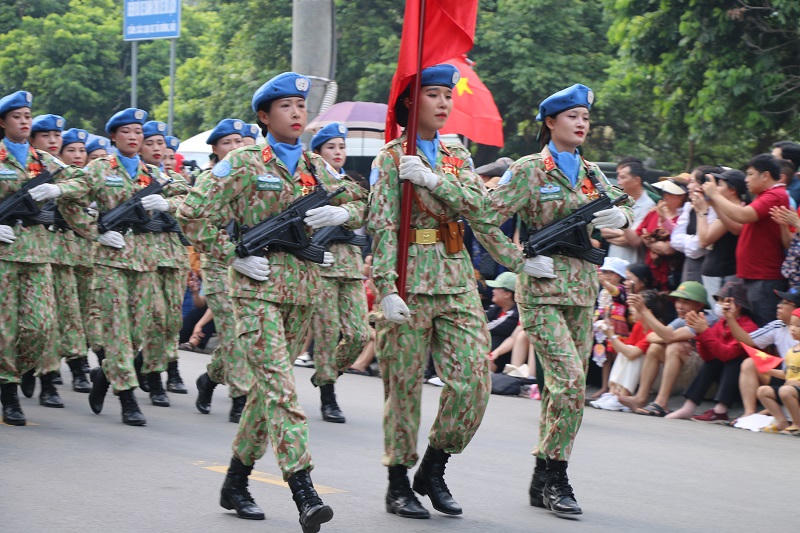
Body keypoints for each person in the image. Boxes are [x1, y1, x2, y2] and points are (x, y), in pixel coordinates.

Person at [179, 72, 366, 531]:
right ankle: (303, 489)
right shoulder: (243, 163)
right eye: (285, 106)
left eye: (301, 105)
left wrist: (344, 211)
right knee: (282, 391)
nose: (297, 112)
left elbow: (362, 198)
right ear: (264, 116)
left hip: (303, 291)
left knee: (267, 396)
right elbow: (191, 213)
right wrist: (231, 254)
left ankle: (236, 481)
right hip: (255, 290)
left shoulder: (315, 166)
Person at [471, 83, 632, 517]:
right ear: (550, 122)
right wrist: (518, 259)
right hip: (541, 291)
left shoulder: (590, 172)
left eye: (586, 118)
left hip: (581, 290)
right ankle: (557, 476)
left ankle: (542, 476)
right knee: (570, 381)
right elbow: (485, 218)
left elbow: (625, 210)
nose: (581, 124)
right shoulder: (529, 170)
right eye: (572, 117)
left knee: (564, 390)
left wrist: (621, 216)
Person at [368, 64, 521, 520]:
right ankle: (398, 482)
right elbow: (382, 226)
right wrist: (385, 288)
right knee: (403, 387)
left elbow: (480, 206)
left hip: (455, 277)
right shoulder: (390, 158)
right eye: (433, 94)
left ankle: (434, 467)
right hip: (409, 279)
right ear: (411, 102)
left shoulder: (457, 155)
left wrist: (434, 180)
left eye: (447, 95)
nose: (443, 103)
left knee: (474, 380)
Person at [48, 107, 184, 426]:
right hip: (110, 260)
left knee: (139, 330)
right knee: (117, 332)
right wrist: (94, 230)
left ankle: (105, 375)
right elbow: (70, 198)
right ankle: (127, 398)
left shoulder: (153, 174)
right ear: (113, 136)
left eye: (138, 132)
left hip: (145, 261)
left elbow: (189, 199)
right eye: (126, 132)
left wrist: (168, 204)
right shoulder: (100, 168)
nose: (133, 137)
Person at [0, 91, 70, 425]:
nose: (24, 121)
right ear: (3, 122)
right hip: (3, 253)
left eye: (28, 115)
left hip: (39, 252)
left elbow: (84, 181)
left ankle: (21, 368)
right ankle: (9, 392)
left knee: (41, 326)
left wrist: (60, 189)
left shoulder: (44, 161)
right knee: (5, 328)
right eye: (17, 116)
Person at [308, 121, 371, 423]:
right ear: (318, 152)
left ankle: (327, 374)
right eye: (331, 147)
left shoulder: (352, 184)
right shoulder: (309, 182)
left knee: (360, 334)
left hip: (351, 267)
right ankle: (328, 395)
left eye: (341, 147)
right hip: (321, 266)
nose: (337, 152)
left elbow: (365, 211)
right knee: (327, 333)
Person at [194, 117, 253, 423]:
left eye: (239, 142)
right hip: (219, 261)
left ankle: (210, 378)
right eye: (227, 142)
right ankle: (241, 397)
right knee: (233, 329)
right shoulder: (210, 179)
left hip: (252, 263)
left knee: (242, 334)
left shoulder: (256, 176)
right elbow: (195, 220)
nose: (234, 147)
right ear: (215, 149)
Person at [138, 120, 191, 405]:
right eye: (150, 143)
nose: (157, 148)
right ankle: (154, 374)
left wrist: (167, 204)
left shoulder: (173, 178)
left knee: (171, 320)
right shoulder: (133, 177)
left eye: (160, 143)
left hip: (173, 256)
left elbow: (189, 201)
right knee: (153, 319)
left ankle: (152, 365)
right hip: (144, 256)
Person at [702, 154, 788, 326]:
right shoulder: (764, 196)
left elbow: (742, 215)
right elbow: (737, 228)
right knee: (751, 327)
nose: (746, 180)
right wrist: (715, 203)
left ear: (765, 175)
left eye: (750, 174)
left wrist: (715, 195)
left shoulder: (774, 195)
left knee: (762, 328)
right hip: (753, 276)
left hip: (764, 277)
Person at [666, 280, 757, 421]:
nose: (719, 305)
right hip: (720, 378)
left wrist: (704, 331)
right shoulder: (721, 323)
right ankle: (688, 407)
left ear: (737, 306)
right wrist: (700, 334)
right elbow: (708, 357)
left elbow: (727, 354)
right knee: (712, 362)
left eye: (723, 301)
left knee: (734, 361)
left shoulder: (749, 326)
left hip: (740, 385)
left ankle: (721, 410)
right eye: (719, 301)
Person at [618, 281, 713, 416]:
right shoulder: (681, 319)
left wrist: (644, 311)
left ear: (699, 305)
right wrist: (665, 337)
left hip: (706, 376)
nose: (680, 306)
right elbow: (652, 336)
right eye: (678, 301)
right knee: (655, 348)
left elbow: (669, 336)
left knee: (675, 347)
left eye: (685, 302)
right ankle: (640, 398)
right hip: (686, 371)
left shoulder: (705, 318)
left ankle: (661, 403)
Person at [727, 286, 800, 419]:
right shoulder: (778, 325)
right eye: (780, 302)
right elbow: (748, 340)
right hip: (786, 375)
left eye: (786, 303)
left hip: (795, 381)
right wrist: (730, 318)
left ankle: (776, 413)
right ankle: (749, 413)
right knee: (750, 363)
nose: (779, 305)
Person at [692, 169, 744, 305]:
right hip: (717, 272)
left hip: (722, 273)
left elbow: (704, 240)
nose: (715, 189)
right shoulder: (730, 210)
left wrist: (701, 211)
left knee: (719, 312)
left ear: (732, 190)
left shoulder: (736, 210)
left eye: (719, 185)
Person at [636, 178, 686, 290]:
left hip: (671, 273)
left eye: (670, 193)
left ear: (681, 197)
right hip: (650, 270)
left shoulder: (684, 217)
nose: (665, 196)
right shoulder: (653, 212)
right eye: (665, 192)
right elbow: (640, 232)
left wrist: (650, 242)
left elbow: (669, 249)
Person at [602, 158, 654, 264]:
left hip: (631, 264)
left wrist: (621, 228)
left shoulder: (649, 206)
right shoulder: (617, 200)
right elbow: (604, 231)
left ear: (637, 180)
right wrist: (625, 234)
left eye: (623, 177)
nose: (618, 182)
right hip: (611, 263)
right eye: (618, 177)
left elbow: (635, 241)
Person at [757, 307, 800, 434]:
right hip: (791, 389)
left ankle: (797, 424)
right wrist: (768, 370)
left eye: (798, 326)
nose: (792, 329)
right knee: (763, 391)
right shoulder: (791, 351)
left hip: (793, 389)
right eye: (791, 325)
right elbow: (787, 374)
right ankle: (781, 422)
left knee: (785, 391)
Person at [484, 271, 520, 373]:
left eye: (496, 288)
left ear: (507, 294)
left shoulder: (516, 314)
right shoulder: (496, 308)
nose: (493, 291)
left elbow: (483, 327)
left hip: (501, 358)